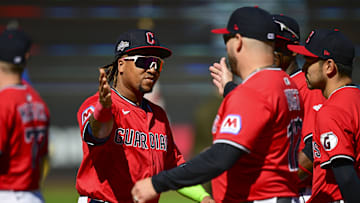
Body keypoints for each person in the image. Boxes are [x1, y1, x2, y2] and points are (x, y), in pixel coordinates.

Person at [132, 7, 303, 203]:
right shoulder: (285, 82)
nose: (226, 48)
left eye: (226, 40)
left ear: (238, 41)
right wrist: (231, 90)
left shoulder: (253, 91)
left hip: (259, 197)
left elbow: (221, 157)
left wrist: (157, 183)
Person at [76, 29, 213, 203]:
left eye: (157, 63)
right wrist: (103, 109)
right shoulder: (97, 105)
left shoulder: (159, 116)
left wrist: (204, 197)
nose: (152, 69)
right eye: (144, 61)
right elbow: (97, 132)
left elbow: (175, 168)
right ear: (121, 64)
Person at [209, 14, 326, 202]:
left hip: (299, 193)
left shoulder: (306, 87)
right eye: (267, 43)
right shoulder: (273, 84)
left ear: (294, 50)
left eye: (277, 45)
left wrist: (276, 183)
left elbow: (313, 150)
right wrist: (231, 90)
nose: (271, 50)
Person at [288, 29, 360, 202]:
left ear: (329, 66)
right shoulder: (355, 99)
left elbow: (346, 176)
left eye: (309, 61)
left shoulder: (332, 111)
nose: (304, 67)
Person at [0, 27, 50, 202]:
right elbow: (44, 156)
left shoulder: (3, 102)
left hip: (7, 193)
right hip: (34, 194)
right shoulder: (38, 102)